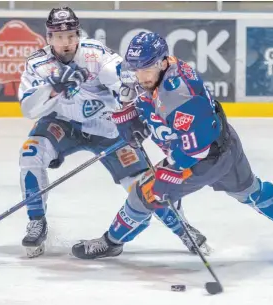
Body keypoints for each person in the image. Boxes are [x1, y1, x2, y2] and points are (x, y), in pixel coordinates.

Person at [72, 32, 273, 259]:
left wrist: (167, 177)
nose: (140, 76)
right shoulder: (162, 71)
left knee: (144, 194)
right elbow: (149, 100)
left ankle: (111, 243)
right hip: (226, 144)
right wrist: (132, 115)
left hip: (202, 158)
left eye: (146, 69)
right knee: (250, 190)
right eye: (137, 68)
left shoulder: (179, 95)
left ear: (163, 62)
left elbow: (194, 151)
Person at [18, 7, 210, 258]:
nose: (67, 42)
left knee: (143, 185)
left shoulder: (95, 54)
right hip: (63, 124)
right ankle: (37, 221)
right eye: (59, 36)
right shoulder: (37, 64)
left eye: (71, 35)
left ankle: (182, 228)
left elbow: (127, 83)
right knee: (30, 154)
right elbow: (28, 109)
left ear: (78, 34)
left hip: (107, 128)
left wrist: (125, 102)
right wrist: (53, 89)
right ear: (49, 37)